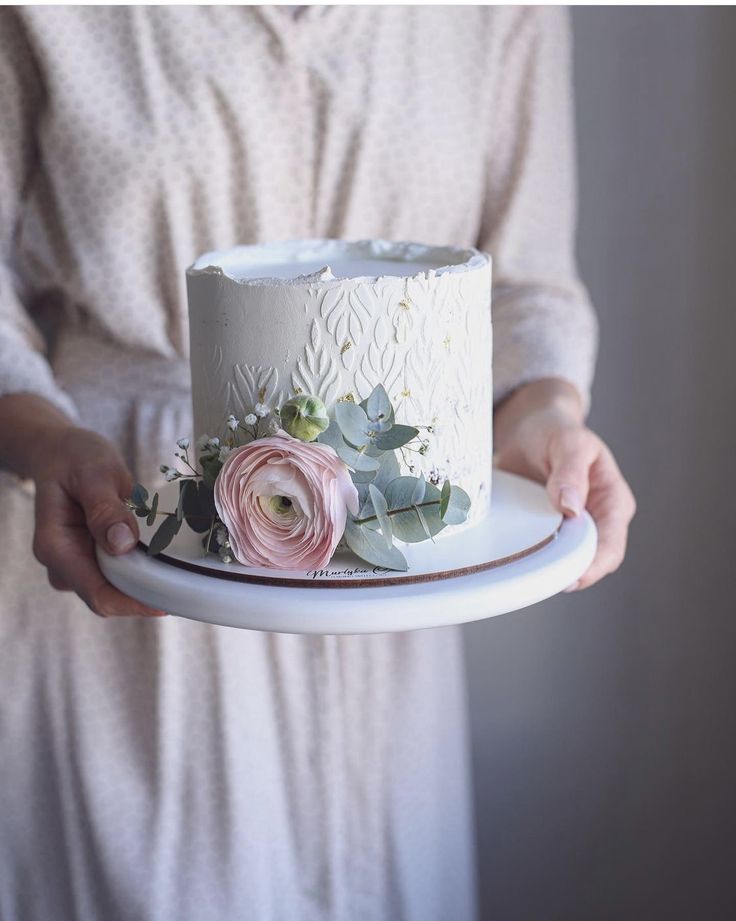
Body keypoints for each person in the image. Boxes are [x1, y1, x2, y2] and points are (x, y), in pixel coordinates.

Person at [0, 7, 635, 920]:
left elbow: (529, 283)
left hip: (395, 577)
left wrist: (546, 414)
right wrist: (46, 440)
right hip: (134, 534)